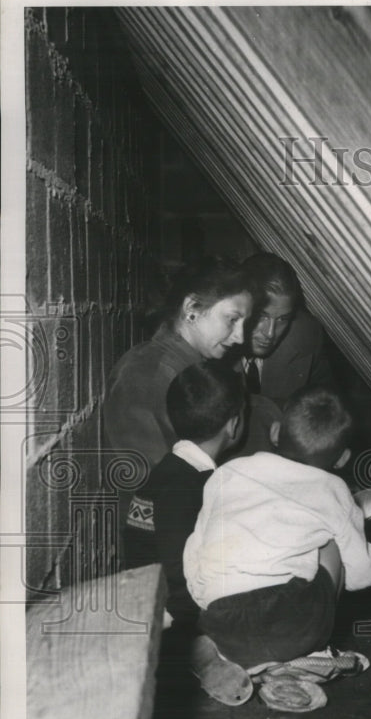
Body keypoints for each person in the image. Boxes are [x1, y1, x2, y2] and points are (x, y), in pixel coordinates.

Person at [183, 386, 371, 674]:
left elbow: (194, 550)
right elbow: (363, 576)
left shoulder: (227, 473)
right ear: (342, 459)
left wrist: (206, 605)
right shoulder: (335, 489)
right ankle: (312, 653)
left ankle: (237, 661)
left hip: (220, 625)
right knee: (332, 543)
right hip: (295, 628)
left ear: (275, 432)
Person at [124, 360, 246, 629]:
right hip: (165, 619)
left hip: (147, 601)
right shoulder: (191, 485)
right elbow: (179, 576)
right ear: (234, 425)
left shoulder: (171, 471)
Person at [104, 257, 252, 471]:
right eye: (232, 319)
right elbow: (153, 481)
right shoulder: (144, 373)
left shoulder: (208, 365)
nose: (240, 337)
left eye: (245, 323)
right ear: (191, 308)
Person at [238, 252, 333, 408]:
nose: (270, 333)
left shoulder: (306, 334)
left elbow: (324, 404)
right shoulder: (211, 342)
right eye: (261, 316)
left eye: (283, 319)